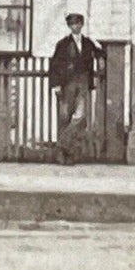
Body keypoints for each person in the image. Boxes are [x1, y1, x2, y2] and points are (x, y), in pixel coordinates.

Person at [48, 11, 102, 166]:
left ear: (82, 25)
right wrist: (56, 85)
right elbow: (55, 66)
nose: (75, 27)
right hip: (67, 84)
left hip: (83, 83)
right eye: (72, 24)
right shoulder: (63, 44)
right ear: (69, 26)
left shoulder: (87, 43)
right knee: (65, 116)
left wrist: (101, 59)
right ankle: (64, 154)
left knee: (80, 116)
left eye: (78, 23)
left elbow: (100, 52)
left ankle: (62, 144)